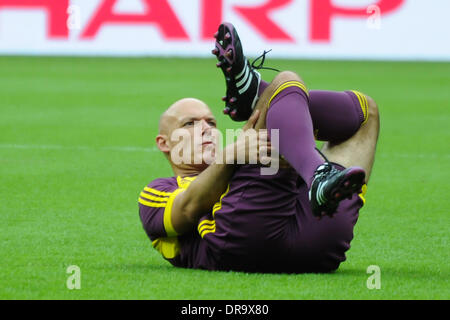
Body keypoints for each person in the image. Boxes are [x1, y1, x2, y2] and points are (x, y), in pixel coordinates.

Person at [138, 23, 379, 273]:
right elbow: (187, 209)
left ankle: (261, 101)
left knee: (367, 113)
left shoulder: (248, 151)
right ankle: (257, 95)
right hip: (242, 243)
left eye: (210, 122)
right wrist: (230, 156)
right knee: (286, 83)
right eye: (190, 123)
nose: (206, 128)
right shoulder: (157, 191)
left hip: (314, 244)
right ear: (164, 143)